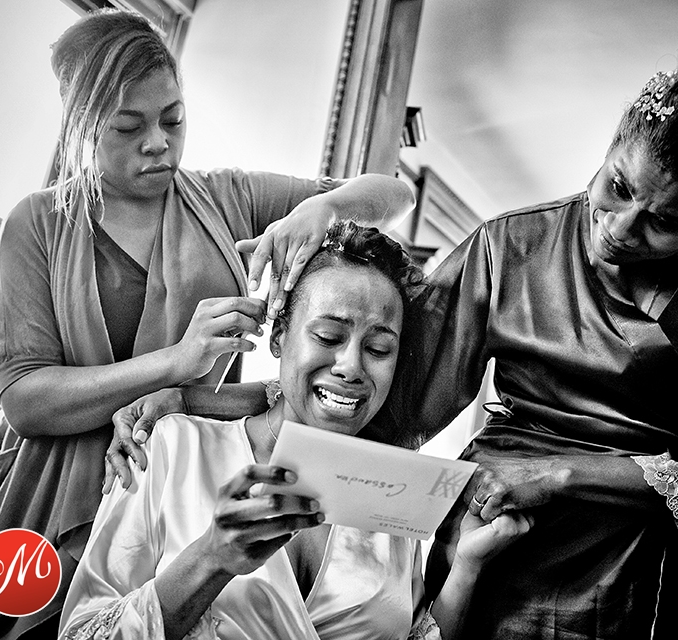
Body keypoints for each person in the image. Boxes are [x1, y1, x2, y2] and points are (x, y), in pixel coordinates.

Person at [109, 37, 678, 639]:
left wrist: (560, 473)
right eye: (617, 186)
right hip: (505, 539)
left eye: (667, 222)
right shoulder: (509, 248)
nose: (620, 229)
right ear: (615, 141)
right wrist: (194, 401)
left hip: (660, 568)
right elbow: (376, 383)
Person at [0, 9, 414, 639]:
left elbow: (394, 194)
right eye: (129, 127)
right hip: (55, 500)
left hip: (173, 484)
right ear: (82, 125)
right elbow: (26, 401)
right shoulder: (37, 225)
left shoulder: (228, 199)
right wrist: (174, 363)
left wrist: (326, 207)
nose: (159, 144)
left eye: (173, 119)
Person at [59, 221, 532, 640]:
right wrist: (210, 559)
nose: (351, 366)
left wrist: (466, 566)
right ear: (280, 336)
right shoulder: (171, 446)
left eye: (379, 349)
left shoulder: (391, 493)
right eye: (328, 337)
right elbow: (82, 632)